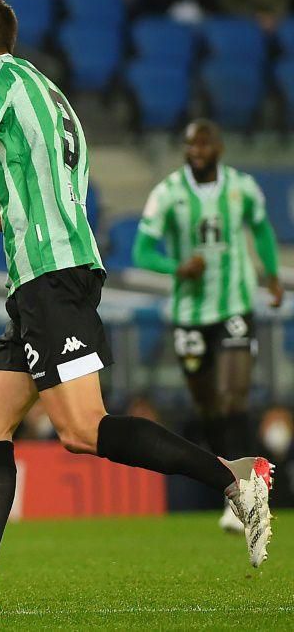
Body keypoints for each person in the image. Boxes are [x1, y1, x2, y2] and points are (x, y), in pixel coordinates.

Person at [0, 0, 274, 617]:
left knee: (83, 430)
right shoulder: (49, 98)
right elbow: (46, 202)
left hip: (52, 280)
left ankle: (235, 477)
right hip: (44, 279)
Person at [132, 119, 283, 532]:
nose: (197, 149)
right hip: (189, 315)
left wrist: (271, 274)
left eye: (204, 142)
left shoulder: (242, 188)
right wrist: (177, 267)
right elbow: (142, 250)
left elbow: (262, 230)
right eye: (189, 143)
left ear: (219, 146)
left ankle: (248, 490)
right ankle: (232, 488)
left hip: (234, 304)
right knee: (209, 407)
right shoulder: (168, 193)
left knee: (233, 397)